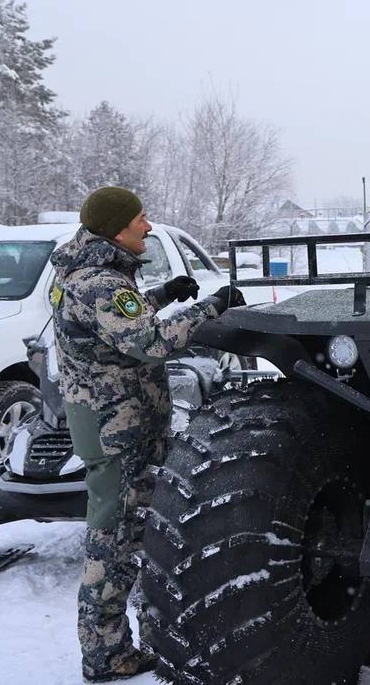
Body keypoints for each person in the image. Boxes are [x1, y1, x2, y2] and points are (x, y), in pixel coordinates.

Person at [50, 186, 244, 682]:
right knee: (111, 540)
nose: (149, 226)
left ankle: (112, 646)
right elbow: (149, 343)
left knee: (124, 532)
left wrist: (162, 295)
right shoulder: (98, 282)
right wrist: (211, 307)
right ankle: (105, 655)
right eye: (140, 219)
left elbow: (111, 328)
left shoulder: (95, 274)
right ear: (116, 229)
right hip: (114, 431)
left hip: (118, 423)